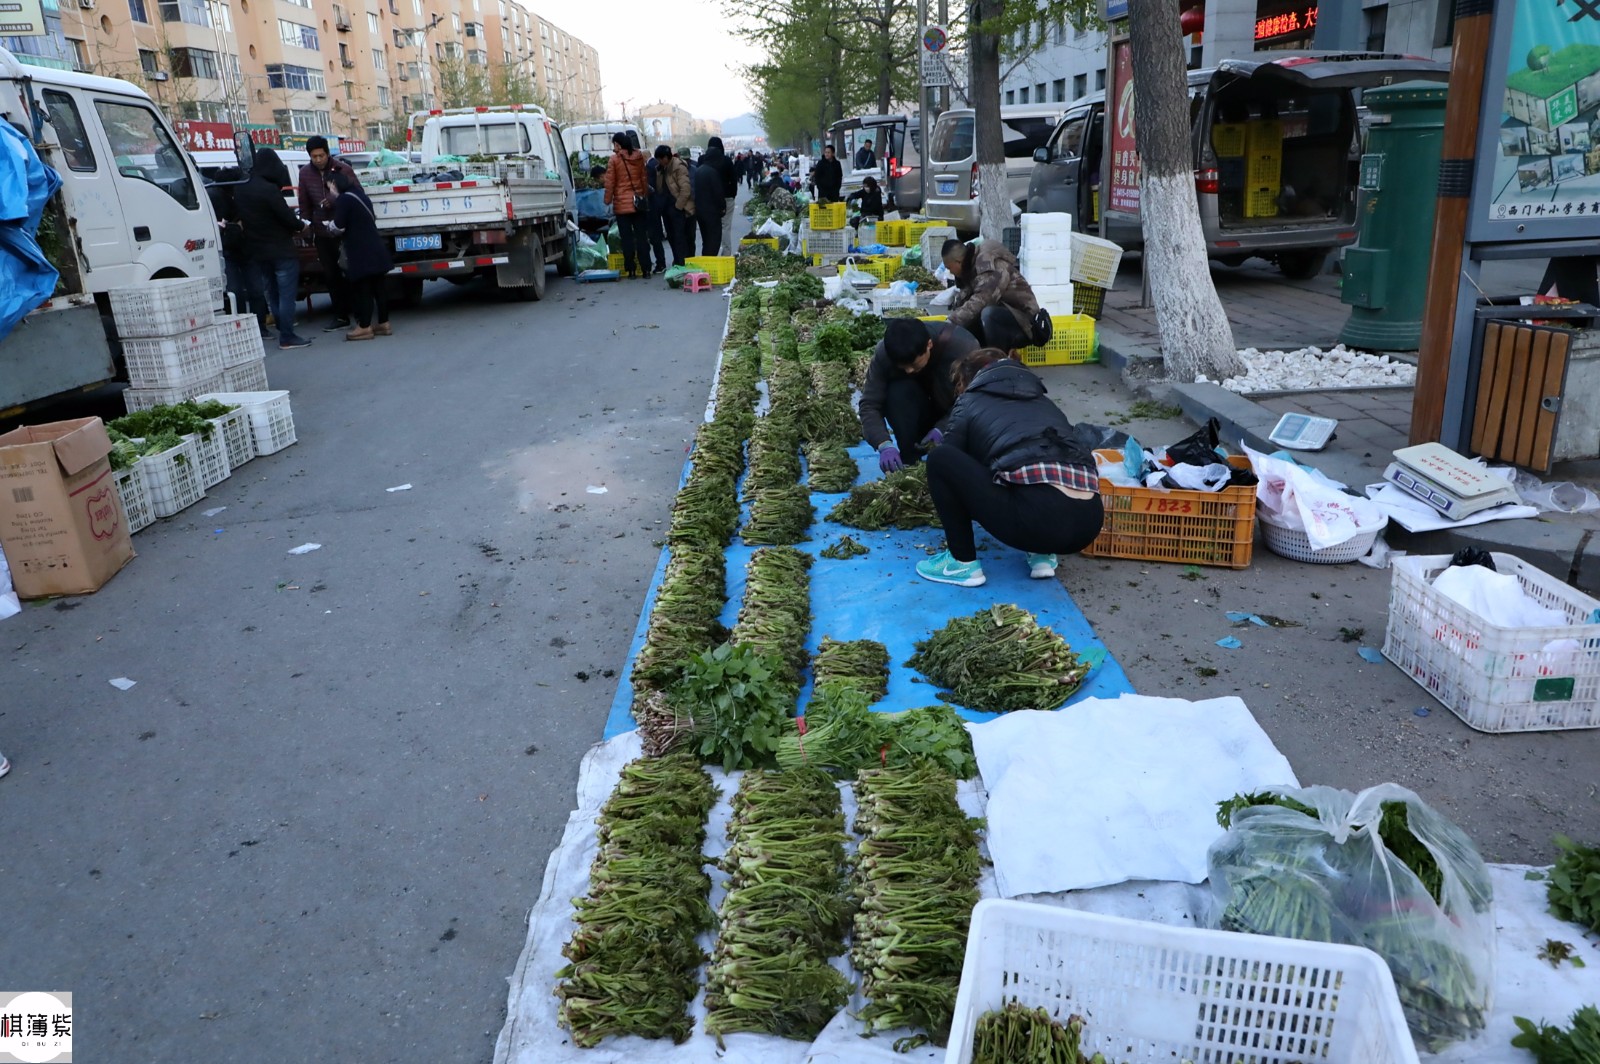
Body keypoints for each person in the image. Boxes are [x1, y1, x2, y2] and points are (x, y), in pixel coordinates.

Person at [916, 349, 1104, 587]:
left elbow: (955, 463)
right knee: (1032, 473)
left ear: (970, 380)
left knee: (941, 459)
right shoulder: (1043, 400)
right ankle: (1042, 556)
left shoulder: (970, 400)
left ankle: (961, 562)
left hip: (1039, 521)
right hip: (1090, 521)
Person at [858, 317, 980, 475]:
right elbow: (869, 404)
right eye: (903, 367)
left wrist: (943, 429)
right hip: (918, 411)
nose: (909, 370)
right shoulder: (886, 353)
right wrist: (883, 443)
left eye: (914, 364)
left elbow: (972, 401)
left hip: (955, 415)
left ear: (929, 345)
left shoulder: (963, 348)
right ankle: (910, 458)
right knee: (897, 390)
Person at [235, 148, 312, 350]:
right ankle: (287, 336)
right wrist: (302, 226)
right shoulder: (269, 189)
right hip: (281, 251)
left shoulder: (242, 187)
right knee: (286, 295)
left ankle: (283, 331)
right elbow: (287, 218)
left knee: (273, 293)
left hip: (258, 251)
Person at [298, 136, 359, 331]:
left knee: (351, 272)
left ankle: (359, 313)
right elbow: (304, 202)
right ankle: (340, 316)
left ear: (327, 153)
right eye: (314, 156)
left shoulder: (343, 169)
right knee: (331, 275)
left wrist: (334, 201)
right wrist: (306, 225)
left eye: (321, 155)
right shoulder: (305, 174)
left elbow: (356, 194)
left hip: (344, 230)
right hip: (322, 232)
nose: (318, 159)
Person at [941, 238, 1042, 351]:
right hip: (1004, 315)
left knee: (987, 314)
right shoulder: (969, 268)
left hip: (1026, 323)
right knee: (965, 325)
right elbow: (966, 302)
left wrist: (951, 321)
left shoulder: (988, 265)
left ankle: (997, 360)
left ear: (958, 261)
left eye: (949, 268)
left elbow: (983, 300)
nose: (950, 272)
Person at [328, 170, 392, 339]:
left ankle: (364, 326)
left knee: (363, 289)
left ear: (334, 184)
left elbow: (339, 226)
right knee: (379, 288)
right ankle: (384, 323)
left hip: (360, 250)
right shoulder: (360, 195)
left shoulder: (344, 199)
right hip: (375, 246)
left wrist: (328, 226)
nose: (330, 192)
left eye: (329, 187)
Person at [601, 131, 651, 277]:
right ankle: (646, 269)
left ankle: (631, 270)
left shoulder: (614, 160)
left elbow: (610, 183)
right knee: (642, 237)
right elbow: (643, 178)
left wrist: (607, 200)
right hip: (638, 204)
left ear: (617, 144)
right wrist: (643, 196)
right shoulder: (639, 156)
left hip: (622, 206)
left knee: (627, 239)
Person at [700, 136, 739, 254]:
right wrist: (732, 195)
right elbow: (734, 179)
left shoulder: (702, 160)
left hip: (708, 200)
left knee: (710, 228)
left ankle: (710, 254)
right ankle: (726, 254)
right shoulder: (726, 160)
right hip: (726, 198)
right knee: (725, 227)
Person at [655, 144, 693, 264]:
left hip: (677, 208)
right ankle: (677, 260)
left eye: (660, 159)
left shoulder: (678, 167)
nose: (659, 162)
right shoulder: (662, 169)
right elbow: (660, 188)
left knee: (679, 237)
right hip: (666, 208)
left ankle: (681, 261)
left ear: (665, 158)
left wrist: (678, 206)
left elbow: (685, 189)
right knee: (671, 236)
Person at [691, 145, 724, 257]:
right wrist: (722, 207)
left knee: (706, 239)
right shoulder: (712, 172)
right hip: (712, 212)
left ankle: (706, 261)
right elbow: (718, 193)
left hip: (700, 211)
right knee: (714, 240)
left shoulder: (699, 170)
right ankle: (710, 263)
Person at [644, 149, 670, 273]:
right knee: (656, 237)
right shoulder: (657, 165)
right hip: (658, 205)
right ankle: (661, 263)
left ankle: (659, 263)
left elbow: (650, 188)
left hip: (651, 207)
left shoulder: (649, 168)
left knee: (653, 237)